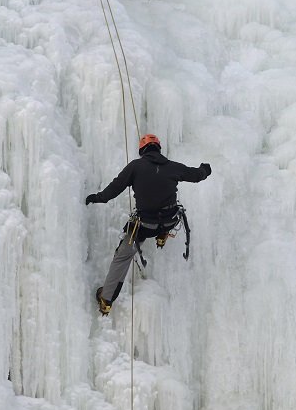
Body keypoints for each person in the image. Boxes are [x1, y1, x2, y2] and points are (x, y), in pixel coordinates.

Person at [85, 134, 211, 315]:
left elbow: (115, 187)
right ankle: (162, 237)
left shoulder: (136, 167)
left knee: (123, 255)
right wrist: (205, 169)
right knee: (170, 215)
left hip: (145, 224)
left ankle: (106, 299)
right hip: (169, 221)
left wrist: (98, 198)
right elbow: (197, 175)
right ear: (158, 148)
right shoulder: (172, 167)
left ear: (142, 150)